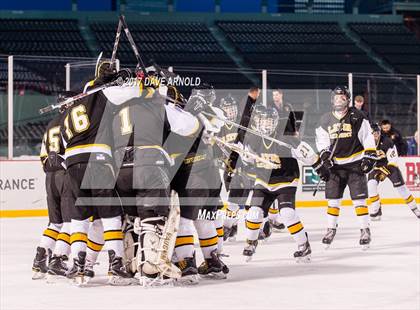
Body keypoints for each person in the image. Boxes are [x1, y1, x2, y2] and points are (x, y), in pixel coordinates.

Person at [60, 60, 133, 286]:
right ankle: (116, 265)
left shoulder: (73, 105)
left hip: (72, 163)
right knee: (109, 214)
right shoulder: (106, 94)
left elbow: (63, 141)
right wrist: (124, 79)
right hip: (97, 158)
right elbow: (129, 93)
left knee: (79, 216)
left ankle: (78, 265)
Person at [240, 104, 320, 262]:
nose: (267, 125)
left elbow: (307, 154)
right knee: (254, 213)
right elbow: (248, 158)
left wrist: (319, 166)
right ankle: (251, 242)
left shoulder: (286, 138)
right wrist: (246, 158)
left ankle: (304, 245)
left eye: (270, 122)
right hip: (263, 180)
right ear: (257, 121)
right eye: (264, 121)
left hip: (286, 179)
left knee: (287, 214)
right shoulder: (252, 137)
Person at [315, 86, 377, 250]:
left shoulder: (357, 116)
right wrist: (324, 156)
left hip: (355, 164)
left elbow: (367, 137)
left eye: (342, 98)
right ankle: (331, 229)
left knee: (359, 200)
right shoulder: (325, 119)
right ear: (332, 100)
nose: (339, 101)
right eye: (336, 98)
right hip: (336, 167)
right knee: (333, 200)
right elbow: (321, 141)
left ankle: (365, 230)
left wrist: (369, 155)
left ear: (348, 100)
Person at [32, 111, 71, 280]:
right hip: (65, 174)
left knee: (55, 223)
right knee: (72, 222)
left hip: (50, 176)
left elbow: (43, 156)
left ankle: (39, 260)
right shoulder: (72, 119)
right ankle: (59, 259)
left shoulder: (50, 125)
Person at [368, 124, 420, 219]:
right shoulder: (366, 142)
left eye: (377, 132)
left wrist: (384, 172)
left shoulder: (388, 142)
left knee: (401, 188)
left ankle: (415, 209)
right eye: (373, 133)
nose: (376, 135)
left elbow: (393, 159)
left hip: (390, 166)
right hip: (376, 167)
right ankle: (376, 210)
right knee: (371, 185)